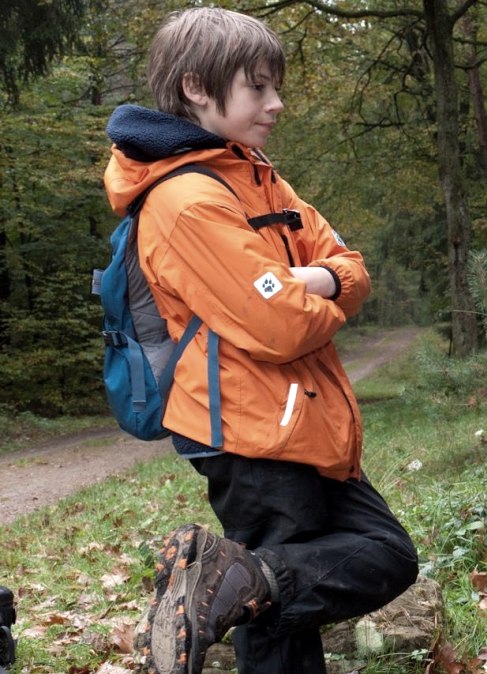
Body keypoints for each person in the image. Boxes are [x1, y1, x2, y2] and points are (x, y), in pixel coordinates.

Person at [102, 8, 418, 674]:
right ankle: (222, 583)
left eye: (275, 86)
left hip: (299, 418)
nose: (275, 104)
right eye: (257, 88)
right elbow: (282, 325)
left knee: (371, 557)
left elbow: (351, 266)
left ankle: (219, 583)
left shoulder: (253, 174)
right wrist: (318, 286)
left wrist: (311, 279)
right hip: (251, 428)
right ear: (196, 87)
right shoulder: (185, 199)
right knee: (278, 630)